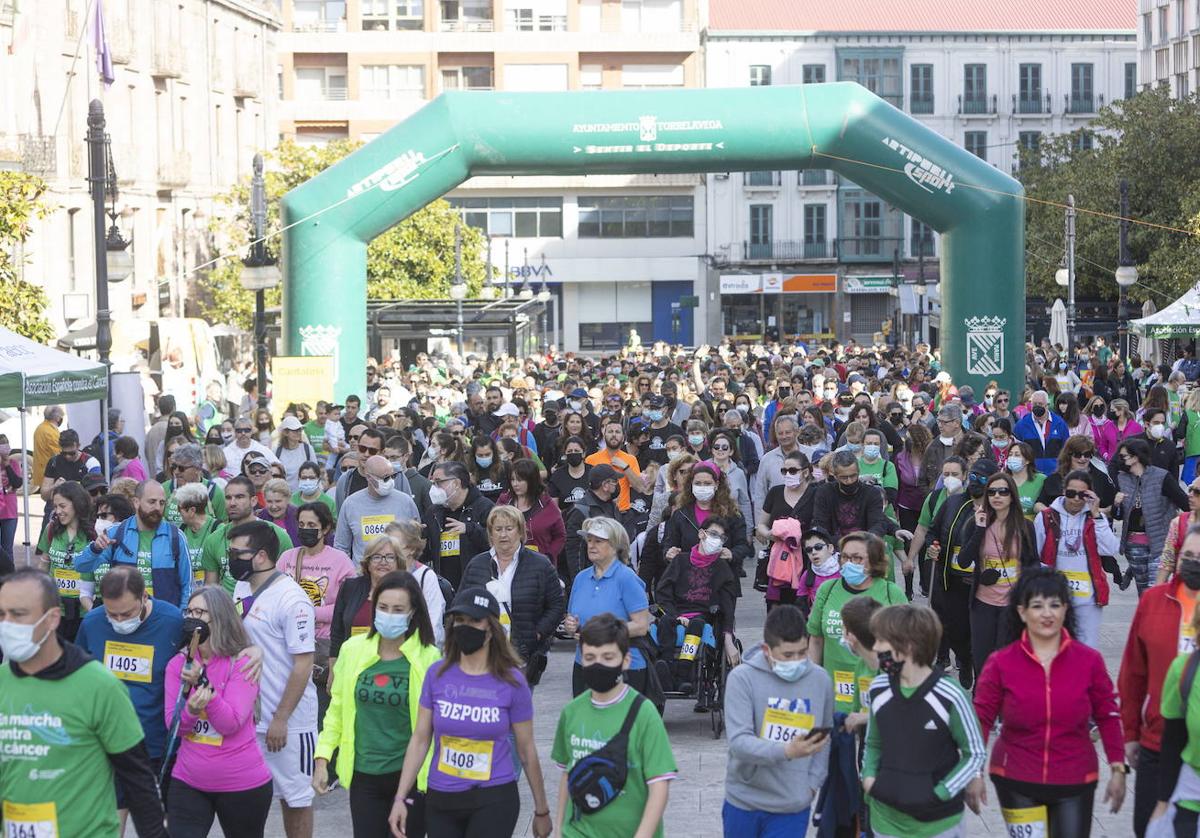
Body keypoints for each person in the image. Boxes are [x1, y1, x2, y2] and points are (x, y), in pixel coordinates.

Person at [0, 568, 168, 837]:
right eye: (1, 615)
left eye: (18, 614)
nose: (6, 624)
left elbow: (138, 780)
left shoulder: (100, 686)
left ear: (53, 618)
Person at [388, 587, 553, 838]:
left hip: (493, 797)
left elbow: (526, 750)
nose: (466, 627)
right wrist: (401, 797)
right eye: (460, 621)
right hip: (442, 798)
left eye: (475, 620)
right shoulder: (437, 674)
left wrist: (542, 810)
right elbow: (420, 739)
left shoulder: (512, 682)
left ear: (491, 629)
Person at [973, 567, 1127, 836]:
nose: (1047, 613)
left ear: (1066, 610)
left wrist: (1118, 767)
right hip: (1016, 778)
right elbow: (981, 718)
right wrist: (974, 772)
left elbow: (1108, 715)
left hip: (1075, 778)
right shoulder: (1001, 663)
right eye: (1037, 605)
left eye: (1055, 605)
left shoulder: (1088, 661)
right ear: (1022, 611)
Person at [315, 570, 441, 838]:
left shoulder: (429, 658)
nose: (389, 614)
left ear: (412, 613)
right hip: (364, 775)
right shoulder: (353, 650)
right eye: (383, 607)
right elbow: (336, 710)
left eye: (398, 609)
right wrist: (322, 758)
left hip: (410, 777)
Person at [861, 603, 986, 838]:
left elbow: (975, 753)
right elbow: (873, 743)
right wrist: (869, 780)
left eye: (881, 640)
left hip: (938, 825)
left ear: (907, 645)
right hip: (884, 822)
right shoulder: (878, 688)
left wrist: (940, 793)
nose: (875, 647)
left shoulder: (951, 694)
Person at [75, 565, 184, 827]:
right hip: (108, 744)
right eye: (113, 615)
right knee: (110, 822)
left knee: (159, 826)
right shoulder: (93, 622)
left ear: (144, 597)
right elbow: (76, 677)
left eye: (127, 613)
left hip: (158, 745)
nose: (120, 621)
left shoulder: (173, 622)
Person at [229, 520, 319, 838]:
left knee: (295, 800)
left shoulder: (291, 599)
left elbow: (303, 664)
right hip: (249, 722)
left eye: (236, 552)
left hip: (290, 724)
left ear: (262, 556)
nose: (231, 558)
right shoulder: (241, 587)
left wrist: (281, 718)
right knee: (247, 801)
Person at [552, 613, 678, 837]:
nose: (598, 664)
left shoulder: (644, 714)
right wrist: (559, 829)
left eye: (608, 657)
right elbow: (566, 775)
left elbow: (659, 785)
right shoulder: (571, 712)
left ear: (625, 660)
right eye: (590, 657)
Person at [165, 584, 273, 837]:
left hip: (242, 784)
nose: (193, 619)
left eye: (201, 613)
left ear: (219, 617)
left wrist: (204, 686)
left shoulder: (243, 662)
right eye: (189, 612)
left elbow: (231, 722)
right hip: (188, 781)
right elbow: (174, 727)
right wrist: (191, 711)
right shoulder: (178, 664)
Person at [721, 603, 831, 836]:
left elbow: (824, 739)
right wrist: (786, 751)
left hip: (792, 805)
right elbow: (739, 742)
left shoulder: (820, 680)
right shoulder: (742, 679)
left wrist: (811, 787)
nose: (796, 661)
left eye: (802, 653)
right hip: (744, 801)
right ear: (766, 650)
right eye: (788, 655)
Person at [1120, 523, 1200, 837]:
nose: (1194, 562)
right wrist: (1129, 734)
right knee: (1150, 828)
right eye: (1189, 555)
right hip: (1157, 741)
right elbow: (1132, 674)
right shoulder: (1154, 600)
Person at [460, 506, 565, 684]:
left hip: (523, 654)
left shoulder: (540, 564)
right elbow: (462, 604)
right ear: (490, 533)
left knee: (517, 709)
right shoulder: (477, 564)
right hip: (483, 653)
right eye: (498, 529)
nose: (503, 535)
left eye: (509, 529)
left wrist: (538, 633)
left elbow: (556, 605)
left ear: (521, 532)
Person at [806, 531, 906, 711]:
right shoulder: (827, 590)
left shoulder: (892, 593)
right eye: (844, 557)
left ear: (874, 561)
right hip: (834, 694)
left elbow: (906, 645)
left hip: (878, 694)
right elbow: (815, 638)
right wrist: (812, 681)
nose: (849, 563)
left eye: (857, 558)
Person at [278, 501, 356, 720]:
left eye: (311, 524)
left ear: (325, 529)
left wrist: (309, 612)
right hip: (290, 645)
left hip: (323, 649)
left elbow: (346, 607)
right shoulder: (287, 558)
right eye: (301, 524)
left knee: (321, 713)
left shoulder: (341, 561)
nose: (305, 529)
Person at [957, 471, 1039, 677]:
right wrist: (979, 529)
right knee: (982, 660)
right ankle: (982, 701)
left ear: (1012, 495)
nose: (997, 496)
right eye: (992, 492)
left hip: (1012, 604)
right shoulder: (976, 524)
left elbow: (1033, 563)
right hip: (983, 603)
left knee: (1008, 661)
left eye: (1003, 491)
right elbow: (964, 561)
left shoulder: (1025, 526)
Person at [653, 516, 741, 700]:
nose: (717, 540)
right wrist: (675, 615)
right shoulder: (680, 561)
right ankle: (666, 669)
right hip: (675, 613)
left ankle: (685, 673)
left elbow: (727, 606)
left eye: (721, 537)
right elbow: (663, 591)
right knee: (666, 621)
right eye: (713, 534)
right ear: (701, 534)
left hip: (703, 616)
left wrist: (728, 638)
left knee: (697, 624)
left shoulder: (722, 568)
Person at [565, 517, 653, 696]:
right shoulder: (581, 578)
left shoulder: (626, 578)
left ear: (615, 546)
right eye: (589, 540)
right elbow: (572, 618)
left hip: (624, 666)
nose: (591, 545)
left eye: (598, 541)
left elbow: (641, 626)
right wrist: (570, 626)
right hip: (584, 663)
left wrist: (600, 634)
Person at [1033, 469, 1119, 650]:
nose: (1076, 499)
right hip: (1054, 598)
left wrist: (1096, 514)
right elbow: (1036, 556)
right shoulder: (1046, 517)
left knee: (1086, 651)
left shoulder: (1095, 518)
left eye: (1083, 495)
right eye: (1071, 493)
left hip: (1088, 598)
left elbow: (1111, 548)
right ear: (1063, 491)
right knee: (1054, 649)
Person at [78, 479, 192, 607]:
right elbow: (80, 566)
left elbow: (187, 585)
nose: (157, 508)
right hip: (124, 616)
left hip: (162, 620)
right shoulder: (115, 533)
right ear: (136, 502)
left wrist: (182, 616)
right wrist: (95, 548)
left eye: (162, 503)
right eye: (152, 502)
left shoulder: (176, 537)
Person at [1114, 437, 1190, 595]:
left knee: (1156, 590)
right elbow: (1118, 516)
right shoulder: (1122, 478)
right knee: (1145, 595)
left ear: (1136, 456)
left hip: (1160, 544)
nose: (1119, 460)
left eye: (1123, 456)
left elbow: (1185, 503)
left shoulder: (1161, 477)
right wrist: (1116, 504)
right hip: (1134, 545)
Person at [201, 475, 294, 594]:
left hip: (265, 607)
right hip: (227, 609)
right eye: (228, 498)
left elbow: (288, 582)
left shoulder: (277, 535)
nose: (232, 503)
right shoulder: (213, 539)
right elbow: (211, 591)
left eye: (239, 497)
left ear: (254, 501)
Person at [662, 460, 752, 577]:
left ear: (717, 484)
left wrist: (732, 554)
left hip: (723, 579)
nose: (702, 487)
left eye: (707, 483)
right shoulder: (681, 514)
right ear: (691, 485)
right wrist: (669, 553)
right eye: (698, 483)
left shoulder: (731, 514)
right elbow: (668, 543)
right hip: (688, 579)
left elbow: (743, 545)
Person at [35, 481, 97, 639]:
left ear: (77, 504)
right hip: (56, 608)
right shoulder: (51, 529)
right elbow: (44, 563)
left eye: (63, 506)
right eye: (55, 507)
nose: (58, 512)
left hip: (84, 609)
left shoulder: (94, 532)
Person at [421, 460, 494, 589]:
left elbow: (494, 543)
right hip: (444, 586)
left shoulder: (485, 507)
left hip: (476, 584)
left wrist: (469, 529)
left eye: (438, 482)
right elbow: (427, 552)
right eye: (432, 483)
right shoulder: (433, 512)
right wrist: (417, 538)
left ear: (456, 483)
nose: (434, 488)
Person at [334, 454, 420, 563]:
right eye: (385, 478)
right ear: (369, 477)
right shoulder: (350, 504)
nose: (390, 481)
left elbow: (415, 542)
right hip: (363, 575)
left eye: (392, 476)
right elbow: (341, 547)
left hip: (397, 575)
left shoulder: (406, 502)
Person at [497, 458, 566, 563]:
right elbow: (493, 529)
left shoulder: (547, 504)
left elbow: (560, 536)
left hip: (540, 566)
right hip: (507, 563)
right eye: (512, 479)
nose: (515, 484)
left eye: (519, 480)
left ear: (531, 480)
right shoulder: (504, 502)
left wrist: (549, 556)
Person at [561, 464, 623, 580]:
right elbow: (574, 551)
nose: (617, 485)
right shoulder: (580, 510)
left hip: (613, 572)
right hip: (592, 576)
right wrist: (580, 580)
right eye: (615, 481)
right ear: (605, 485)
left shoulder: (613, 506)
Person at [586, 418, 646, 512]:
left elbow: (640, 488)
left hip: (623, 512)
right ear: (604, 435)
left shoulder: (630, 459)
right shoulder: (591, 459)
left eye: (617, 432)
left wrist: (625, 467)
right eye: (610, 431)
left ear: (623, 437)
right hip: (598, 512)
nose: (614, 435)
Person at [176, 482, 220, 590]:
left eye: (179, 508)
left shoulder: (217, 529)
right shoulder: (180, 531)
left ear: (191, 511)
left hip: (214, 591)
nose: (178, 513)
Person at [1014, 390, 1070, 474]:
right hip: (1031, 473)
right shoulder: (1022, 425)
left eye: (1040, 404)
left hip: (1054, 473)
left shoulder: (1059, 423)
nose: (1037, 406)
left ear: (1047, 405)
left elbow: (1066, 449)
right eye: (1034, 404)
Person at [39, 428, 100, 502]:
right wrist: (54, 487)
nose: (68, 456)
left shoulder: (90, 463)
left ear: (78, 446)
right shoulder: (54, 462)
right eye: (64, 453)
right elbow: (44, 496)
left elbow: (95, 494)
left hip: (81, 507)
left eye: (72, 453)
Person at [1002, 441, 1046, 518]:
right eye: (1010, 455)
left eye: (1017, 455)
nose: (1012, 458)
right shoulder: (1002, 480)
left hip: (1032, 526)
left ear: (1027, 460)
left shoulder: (1041, 479)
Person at [275, 415, 317, 491]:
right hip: (283, 494)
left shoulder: (307, 449)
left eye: (299, 430)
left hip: (304, 493)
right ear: (285, 432)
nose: (298, 432)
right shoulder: (277, 451)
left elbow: (316, 471)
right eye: (294, 430)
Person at [259, 477, 302, 546]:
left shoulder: (300, 516)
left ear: (288, 499)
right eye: (269, 501)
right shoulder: (261, 517)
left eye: (278, 501)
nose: (274, 506)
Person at [32, 404, 63, 487]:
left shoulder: (41, 427)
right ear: (57, 418)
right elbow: (60, 453)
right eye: (61, 416)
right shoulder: (50, 432)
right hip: (49, 474)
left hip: (42, 470)